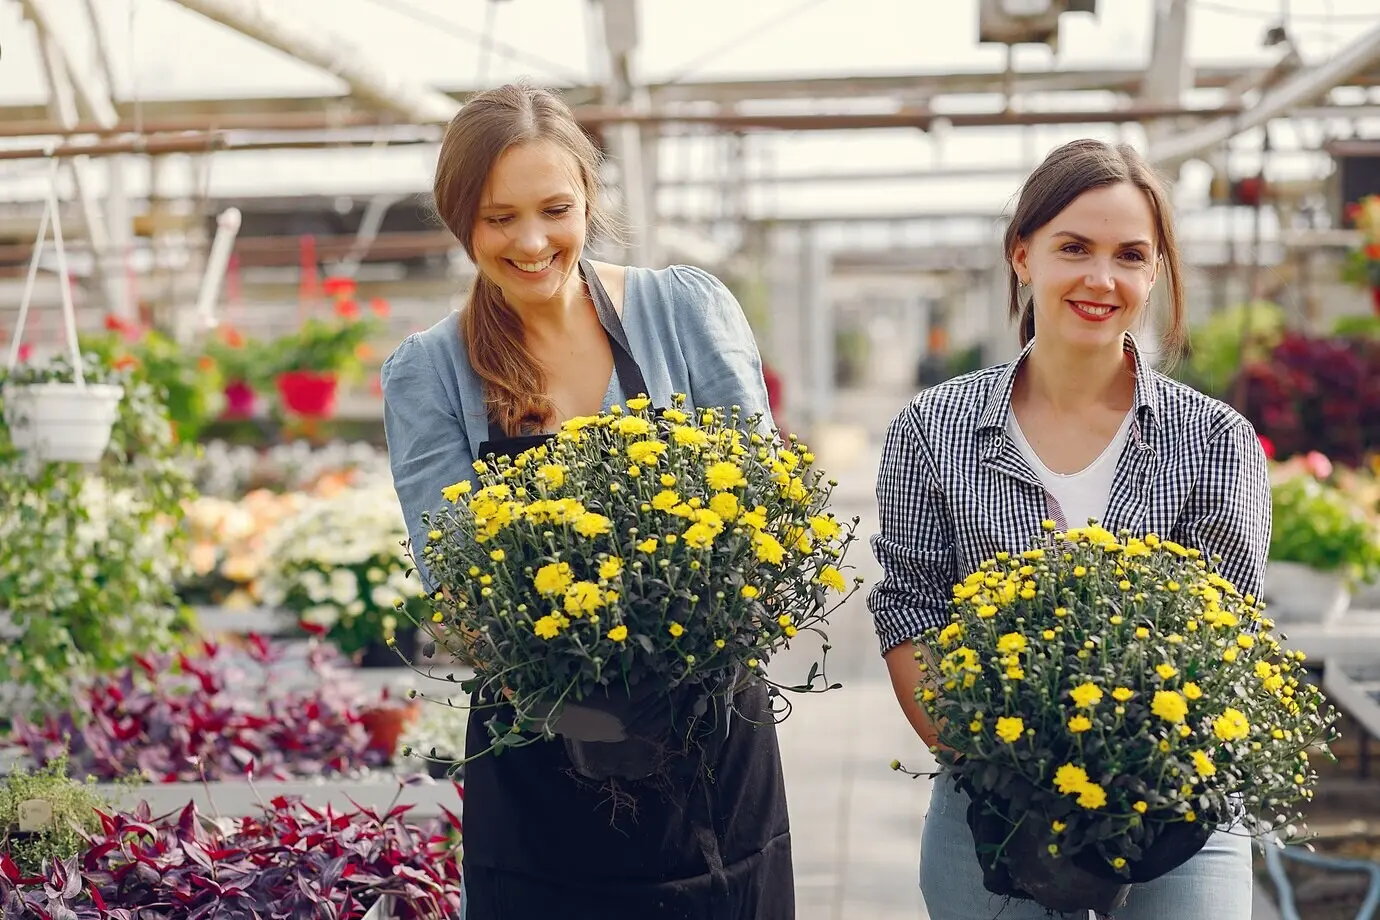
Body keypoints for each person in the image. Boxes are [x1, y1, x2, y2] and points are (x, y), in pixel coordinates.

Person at [379, 83, 793, 920]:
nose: (531, 242)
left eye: (554, 209)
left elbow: (765, 520)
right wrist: (576, 666)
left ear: (589, 200)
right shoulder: (429, 372)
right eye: (499, 218)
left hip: (708, 742)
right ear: (462, 221)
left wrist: (663, 640)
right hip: (537, 757)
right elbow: (454, 585)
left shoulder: (683, 310)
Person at [867, 138, 1270, 920]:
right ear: (1023, 256)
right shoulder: (931, 429)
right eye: (1073, 248)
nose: (1101, 278)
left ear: (1154, 273)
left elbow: (1231, 640)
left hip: (1178, 801)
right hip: (992, 800)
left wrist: (1136, 773)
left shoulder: (1214, 440)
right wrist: (993, 766)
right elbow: (913, 608)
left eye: (1129, 255)